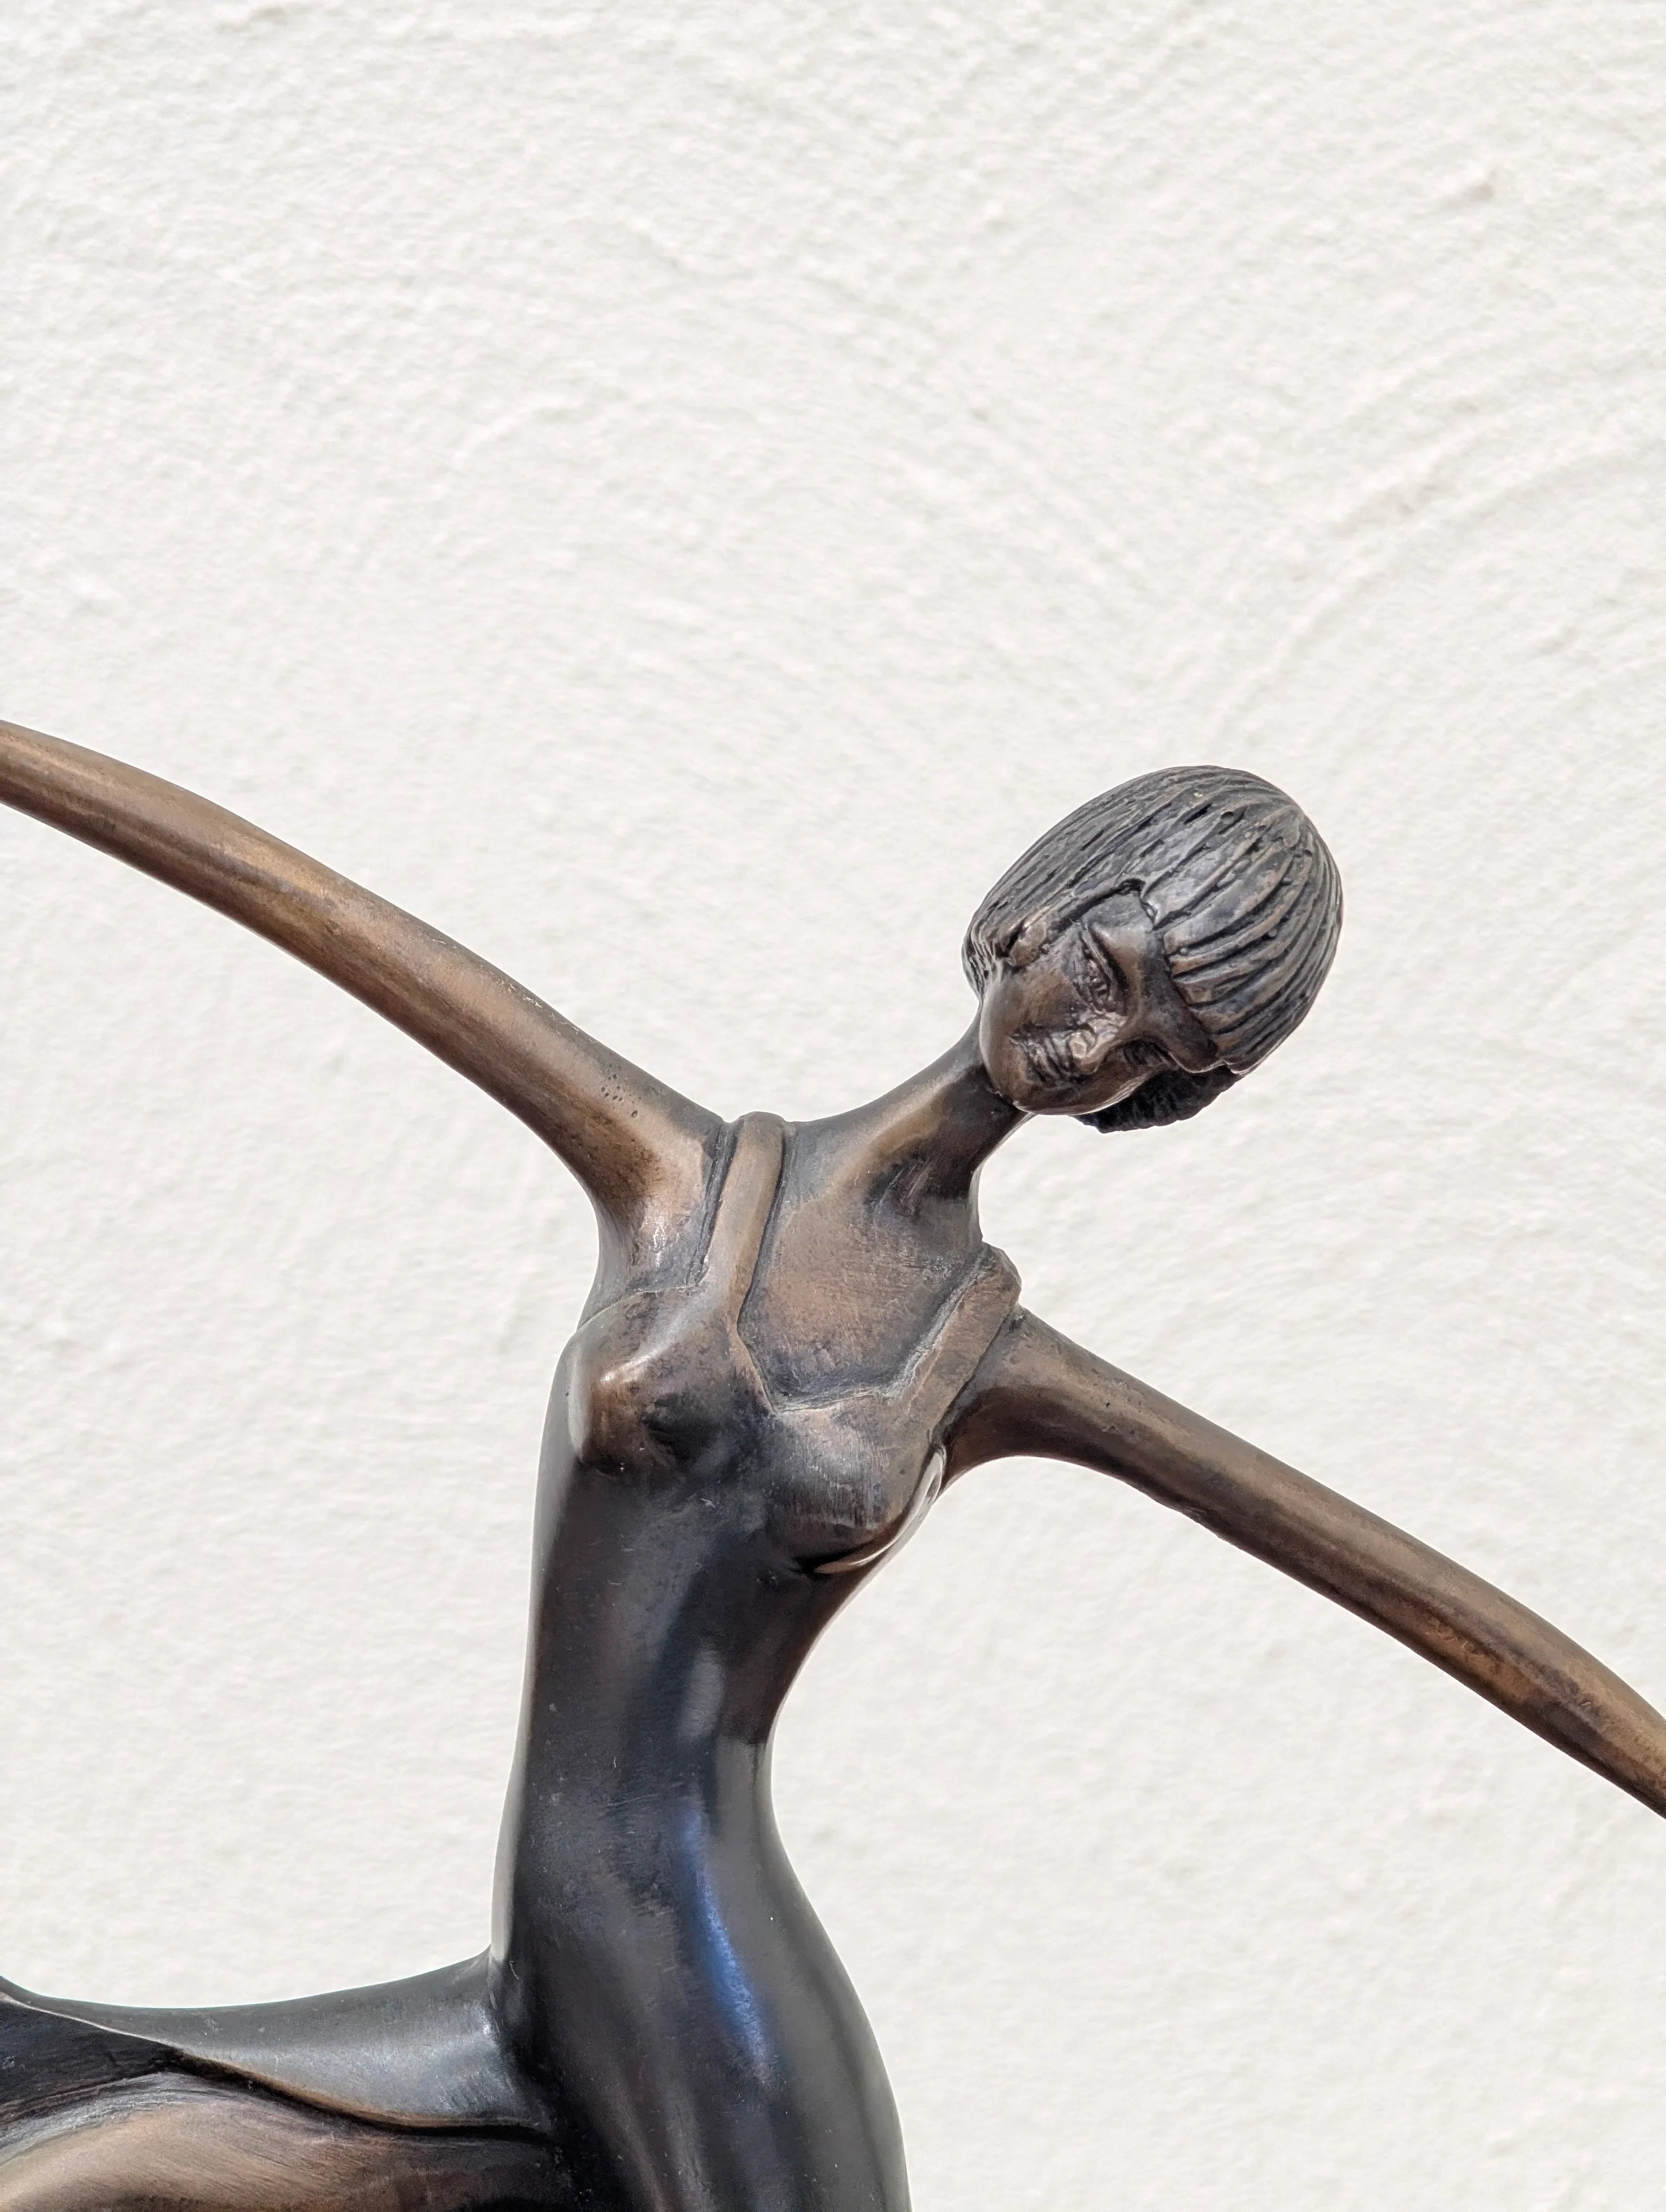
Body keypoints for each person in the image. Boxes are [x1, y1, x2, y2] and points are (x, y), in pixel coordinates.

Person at [2, 724, 1663, 2212]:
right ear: (1031, 912)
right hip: (560, 1957)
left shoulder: (991, 1365)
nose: (1098, 1046)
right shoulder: (671, 1172)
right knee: (71, 2153)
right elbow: (266, 880)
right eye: (1108, 971)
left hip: (708, 1987)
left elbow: (1441, 1612)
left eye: (1158, 1052)